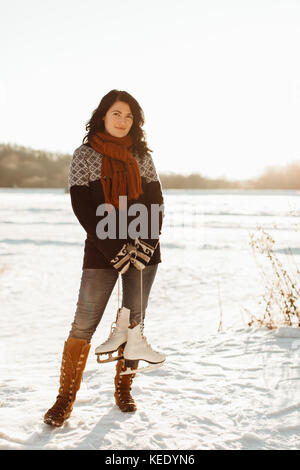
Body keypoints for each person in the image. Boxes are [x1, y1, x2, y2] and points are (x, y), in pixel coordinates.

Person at [44, 89, 165, 427]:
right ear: (102, 116)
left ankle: (124, 389)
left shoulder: (141, 155)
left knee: (134, 323)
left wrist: (145, 246)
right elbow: (82, 206)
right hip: (101, 251)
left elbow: (156, 201)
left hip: (144, 252)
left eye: (129, 116)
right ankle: (64, 398)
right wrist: (115, 251)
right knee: (84, 323)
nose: (122, 121)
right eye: (116, 114)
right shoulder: (84, 155)